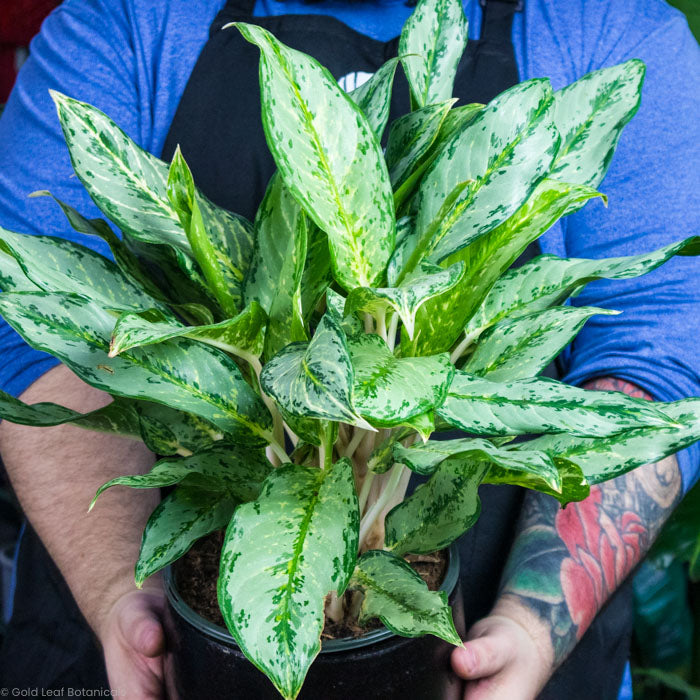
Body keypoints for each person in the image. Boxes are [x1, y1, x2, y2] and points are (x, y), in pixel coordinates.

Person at [0, 0, 698, 698]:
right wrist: (123, 594)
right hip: (150, 648)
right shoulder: (124, 20)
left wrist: (530, 626)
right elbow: (33, 325)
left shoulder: (604, 27)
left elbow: (658, 359)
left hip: (487, 653)